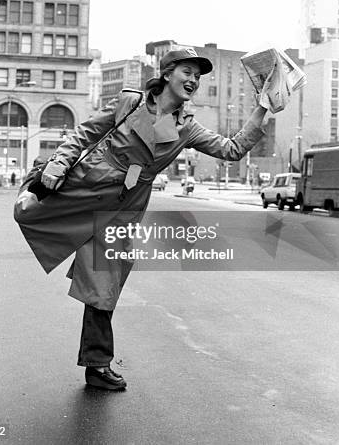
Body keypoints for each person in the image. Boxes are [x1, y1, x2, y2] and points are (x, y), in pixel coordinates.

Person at [14, 48, 271, 391]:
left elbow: (232, 149)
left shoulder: (187, 128)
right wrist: (59, 163)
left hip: (124, 205)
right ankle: (29, 191)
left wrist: (262, 109)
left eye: (198, 75)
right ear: (167, 74)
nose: (193, 80)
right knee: (30, 212)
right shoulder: (129, 102)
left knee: (103, 285)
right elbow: (85, 134)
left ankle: (97, 363)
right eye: (187, 72)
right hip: (89, 183)